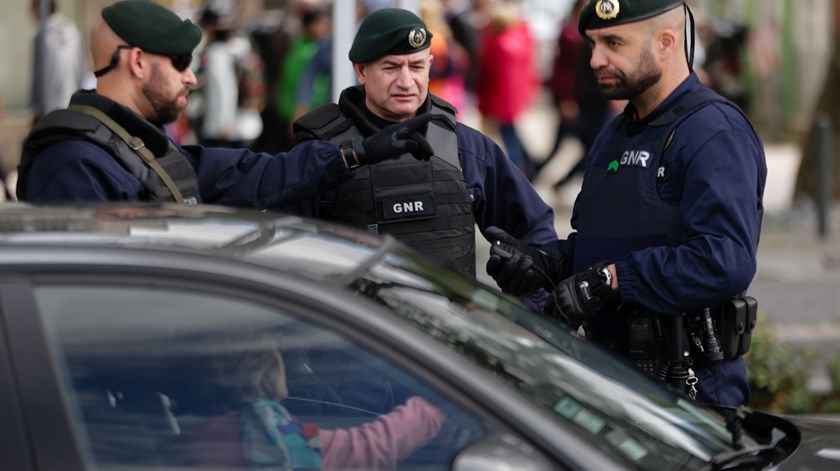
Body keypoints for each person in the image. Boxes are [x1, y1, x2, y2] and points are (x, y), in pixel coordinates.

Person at [484, 0, 767, 408]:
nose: (597, 59)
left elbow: (723, 260)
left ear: (667, 42)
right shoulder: (615, 134)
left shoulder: (712, 131)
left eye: (614, 43)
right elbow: (604, 245)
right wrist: (546, 263)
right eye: (594, 44)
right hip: (614, 386)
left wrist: (611, 279)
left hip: (690, 395)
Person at [16, 0, 435, 207]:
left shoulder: (139, 147)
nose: (191, 76)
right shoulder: (74, 165)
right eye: (180, 62)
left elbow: (258, 173)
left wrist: (354, 153)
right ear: (138, 61)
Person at [292, 8, 556, 284]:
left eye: (416, 66)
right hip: (357, 326)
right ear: (361, 70)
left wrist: (528, 309)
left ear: (430, 64)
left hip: (447, 325)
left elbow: (536, 236)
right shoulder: (323, 149)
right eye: (391, 67)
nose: (406, 82)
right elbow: (287, 257)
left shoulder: (464, 147)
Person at [186, 328, 446, 469]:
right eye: (279, 354)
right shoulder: (265, 436)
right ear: (263, 369)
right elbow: (370, 448)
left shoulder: (201, 431)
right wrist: (437, 401)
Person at [30, 0, 87, 123]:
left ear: (38, 10)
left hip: (49, 107)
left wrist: (35, 106)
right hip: (73, 102)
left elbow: (37, 74)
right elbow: (81, 67)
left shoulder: (41, 34)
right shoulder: (72, 30)